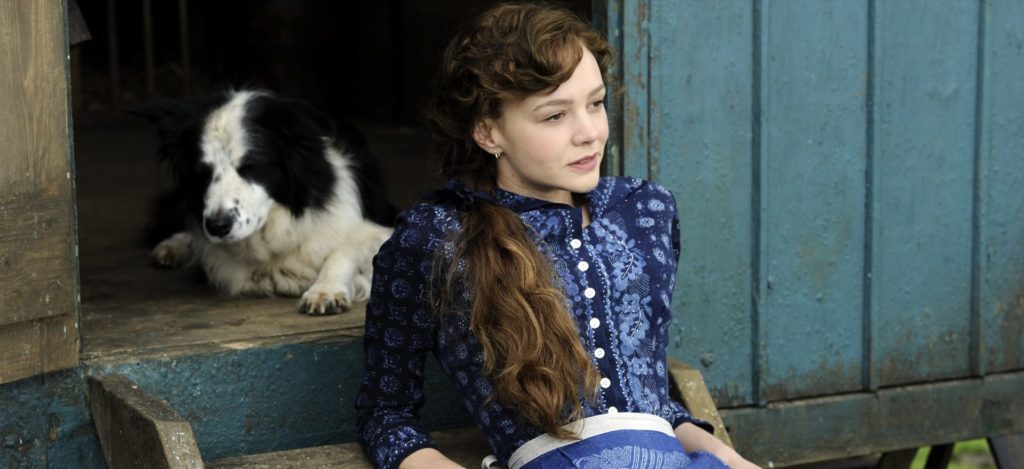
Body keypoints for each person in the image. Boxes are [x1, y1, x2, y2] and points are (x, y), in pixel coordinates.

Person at [356, 3, 760, 468]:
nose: (589, 133)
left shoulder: (645, 211)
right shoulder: (435, 239)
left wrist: (734, 460)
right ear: (488, 132)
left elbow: (655, 405)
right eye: (554, 116)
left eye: (596, 102)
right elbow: (385, 416)